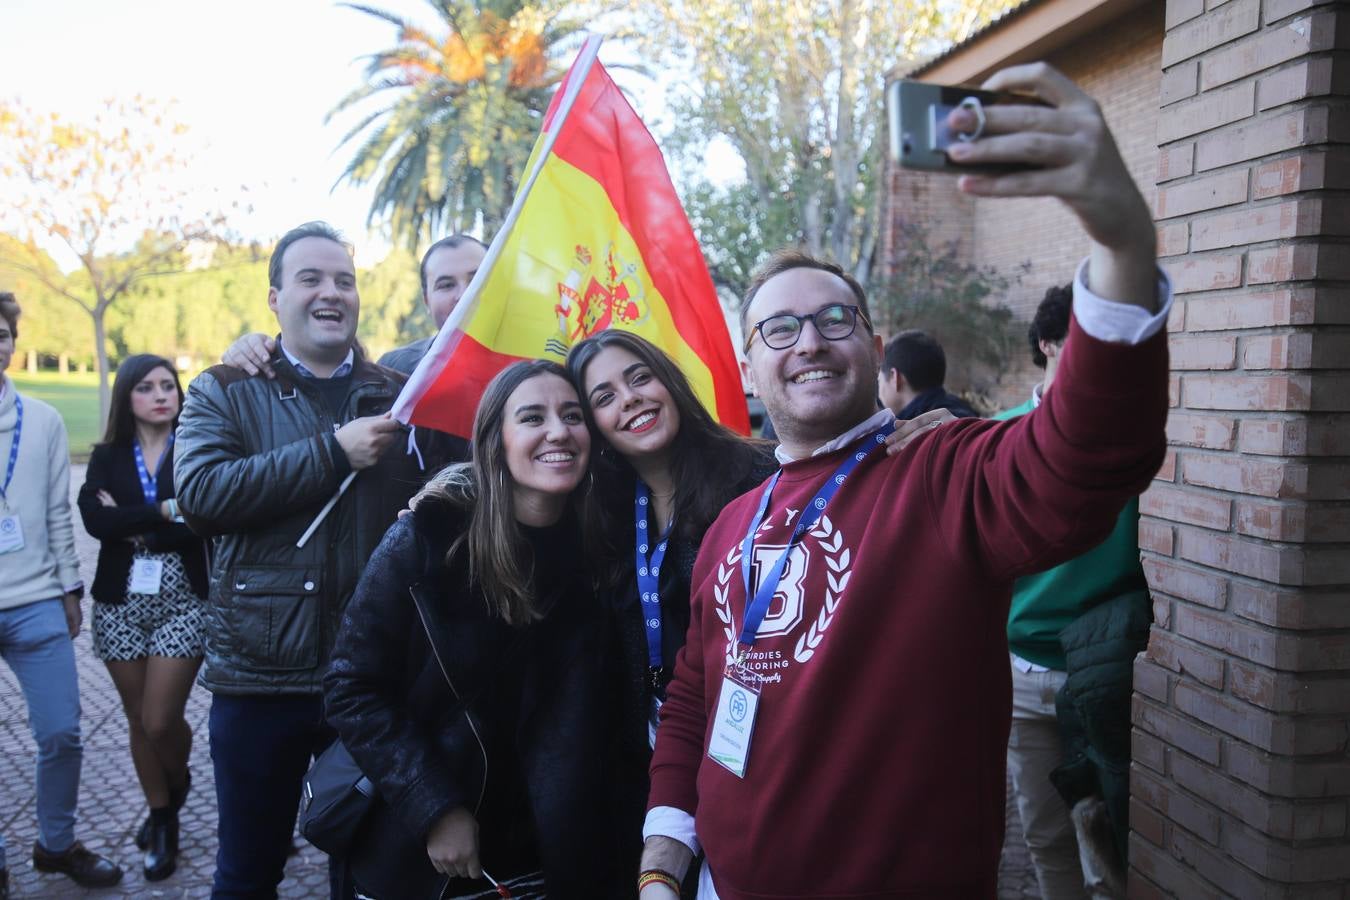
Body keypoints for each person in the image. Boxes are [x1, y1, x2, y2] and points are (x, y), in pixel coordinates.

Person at [637, 62, 1171, 899]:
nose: (808, 340)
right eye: (778, 328)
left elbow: (1088, 458)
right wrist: (664, 864)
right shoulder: (735, 524)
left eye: (833, 319)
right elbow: (698, 697)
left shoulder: (943, 473)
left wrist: (1123, 245)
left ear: (873, 344)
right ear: (748, 365)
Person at [173, 222, 425, 899]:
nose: (330, 293)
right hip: (261, 683)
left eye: (344, 280)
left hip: (371, 682)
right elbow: (199, 495)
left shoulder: (398, 395)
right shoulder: (223, 388)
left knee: (368, 866)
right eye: (311, 279)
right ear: (275, 297)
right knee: (249, 871)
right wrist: (331, 454)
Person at [323, 360, 603, 899]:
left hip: (550, 850)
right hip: (430, 854)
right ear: (496, 440)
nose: (558, 431)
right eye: (532, 417)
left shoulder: (602, 553)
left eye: (573, 415)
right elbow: (351, 686)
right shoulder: (426, 541)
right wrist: (434, 806)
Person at [564, 331, 778, 889]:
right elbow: (515, 488)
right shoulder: (599, 507)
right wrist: (450, 490)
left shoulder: (761, 477)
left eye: (639, 378)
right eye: (604, 396)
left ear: (670, 382)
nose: (629, 399)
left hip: (754, 746)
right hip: (647, 757)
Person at [995, 283, 1149, 899]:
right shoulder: (999, 439)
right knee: (1044, 830)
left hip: (1114, 673)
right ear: (1049, 344)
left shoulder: (1140, 443)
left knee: (1110, 841)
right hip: (1025, 672)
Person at [0, 292, 123, 897]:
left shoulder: (42, 421)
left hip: (36, 602)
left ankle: (56, 845)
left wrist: (71, 589)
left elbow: (54, 513)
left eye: (0, 333)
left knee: (61, 732)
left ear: (12, 342)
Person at [77, 354, 207, 883]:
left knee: (160, 719)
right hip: (118, 602)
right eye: (147, 387)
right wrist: (162, 511)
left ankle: (175, 785)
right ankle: (162, 818)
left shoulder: (196, 448)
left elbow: (203, 518)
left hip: (182, 598)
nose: (161, 394)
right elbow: (94, 518)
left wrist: (140, 523)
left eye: (168, 385)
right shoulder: (108, 456)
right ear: (126, 397)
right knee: (137, 719)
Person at [222, 234, 489, 465]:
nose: (465, 294)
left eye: (479, 278)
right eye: (445, 284)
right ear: (426, 299)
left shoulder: (530, 367)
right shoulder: (399, 373)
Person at [876, 329, 979, 419]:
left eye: (880, 380)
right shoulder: (963, 415)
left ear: (894, 377)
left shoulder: (918, 431)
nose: (879, 392)